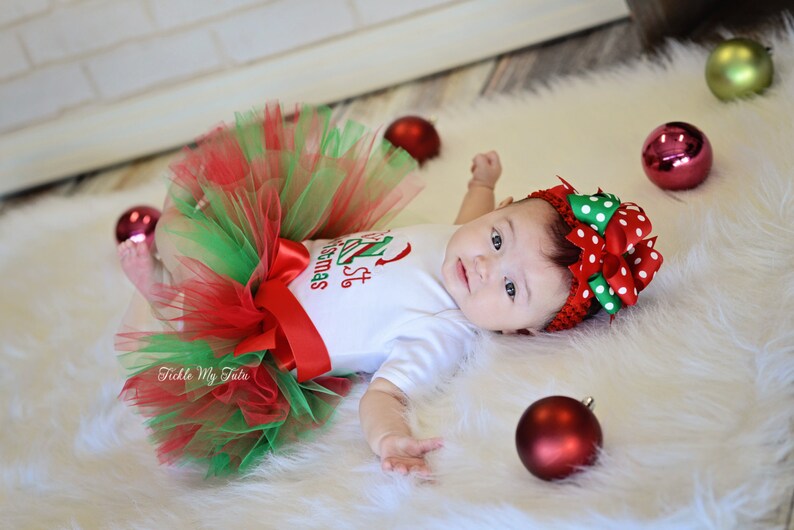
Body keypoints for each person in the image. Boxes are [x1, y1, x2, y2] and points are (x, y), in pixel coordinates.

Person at [117, 103, 662, 478]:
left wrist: (389, 439)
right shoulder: (461, 244)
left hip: (263, 331)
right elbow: (463, 225)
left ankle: (161, 295)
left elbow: (386, 396)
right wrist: (481, 185)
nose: (483, 264)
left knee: (187, 327)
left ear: (519, 329)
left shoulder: (444, 330)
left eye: (512, 287)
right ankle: (174, 263)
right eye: (498, 237)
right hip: (279, 256)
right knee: (194, 224)